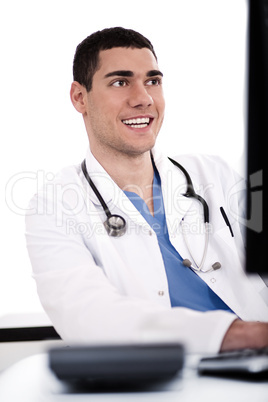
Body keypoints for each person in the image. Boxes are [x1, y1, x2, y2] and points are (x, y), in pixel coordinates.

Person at [25, 27, 268, 354]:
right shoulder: (54, 205)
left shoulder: (214, 174)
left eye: (152, 81)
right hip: (163, 381)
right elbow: (89, 316)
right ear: (80, 98)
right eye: (120, 82)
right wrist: (241, 335)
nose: (143, 99)